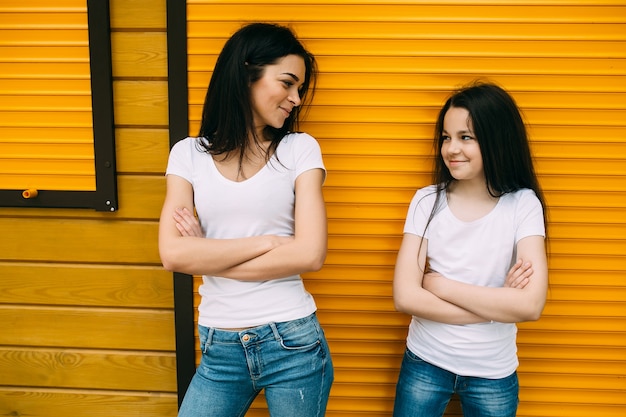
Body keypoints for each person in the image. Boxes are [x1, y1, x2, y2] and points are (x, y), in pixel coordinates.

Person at [158, 22, 333, 417]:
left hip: (292, 342)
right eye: (287, 83)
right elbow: (172, 255)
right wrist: (269, 242)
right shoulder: (187, 155)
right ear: (246, 72)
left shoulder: (300, 150)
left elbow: (310, 255)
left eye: (300, 89)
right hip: (219, 347)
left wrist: (206, 254)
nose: (295, 98)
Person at [392, 81, 548, 417]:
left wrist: (439, 285)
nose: (451, 148)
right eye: (446, 137)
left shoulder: (523, 205)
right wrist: (496, 307)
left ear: (496, 139)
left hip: (493, 372)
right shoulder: (426, 201)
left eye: (466, 137)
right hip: (425, 363)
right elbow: (405, 297)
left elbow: (531, 304)